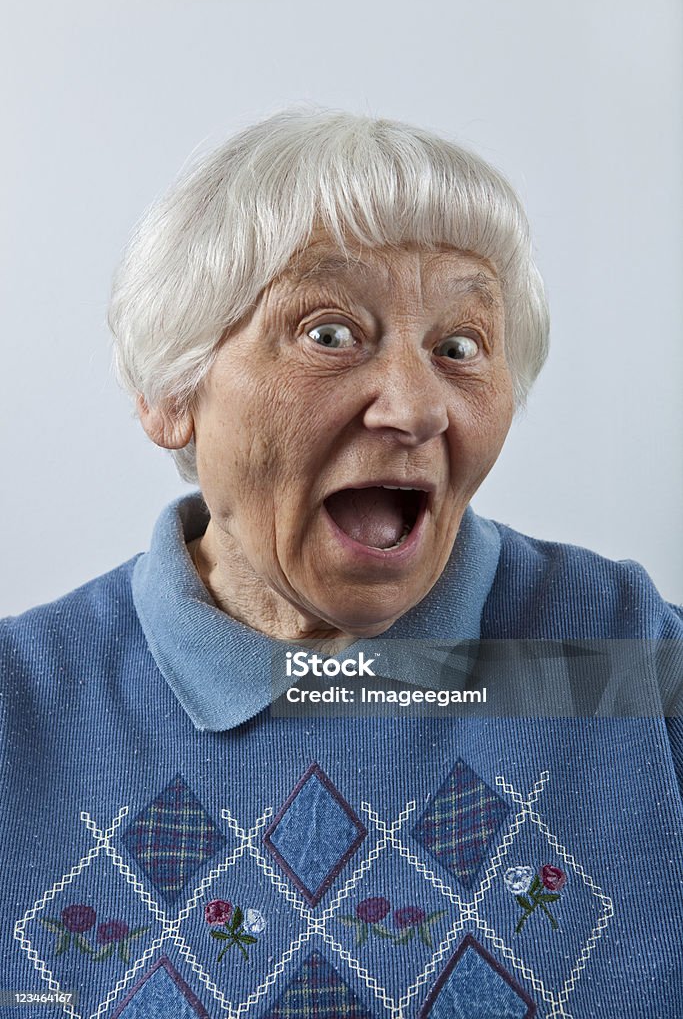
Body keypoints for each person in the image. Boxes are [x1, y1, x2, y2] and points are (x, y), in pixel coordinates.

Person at [1, 109, 681, 1019]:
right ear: (171, 394)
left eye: (459, 347)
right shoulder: (25, 708)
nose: (415, 407)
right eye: (328, 333)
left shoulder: (621, 658)